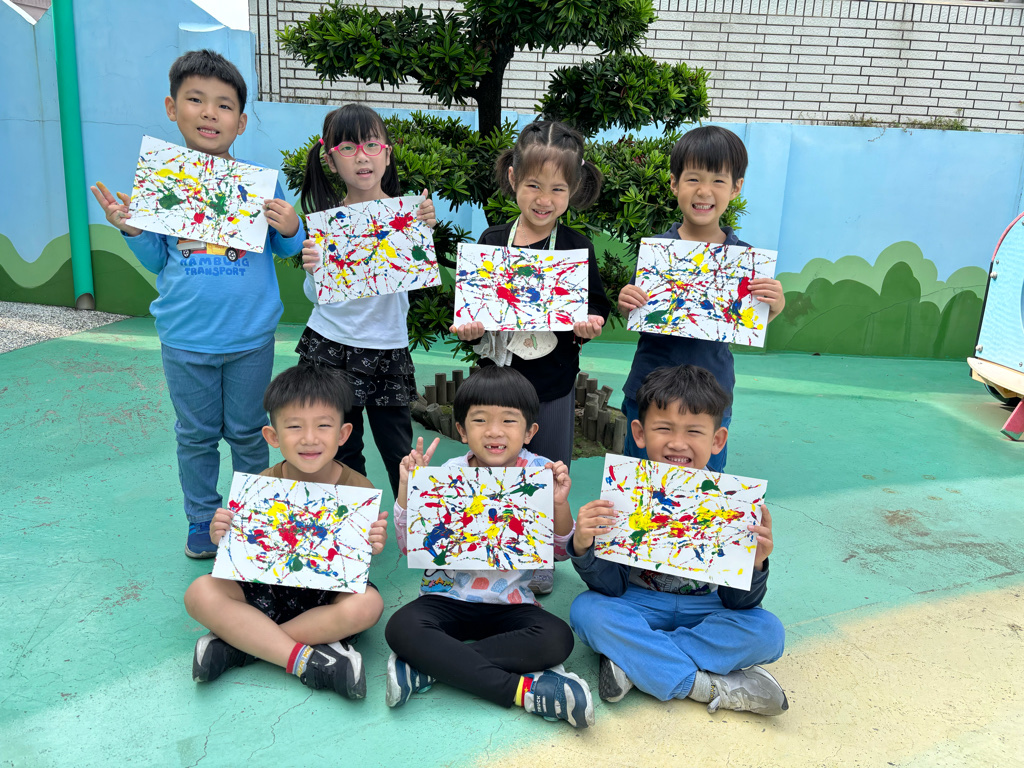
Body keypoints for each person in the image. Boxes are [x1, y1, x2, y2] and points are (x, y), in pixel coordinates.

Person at [90, 49, 305, 558]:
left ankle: (252, 520)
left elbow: (286, 248)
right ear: (172, 108)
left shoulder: (262, 182)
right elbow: (156, 259)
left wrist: (292, 227)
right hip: (185, 340)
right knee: (195, 436)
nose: (210, 113)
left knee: (250, 434)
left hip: (250, 338)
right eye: (195, 100)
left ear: (241, 121)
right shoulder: (163, 180)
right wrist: (132, 228)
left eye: (224, 105)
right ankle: (202, 520)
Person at [567, 364, 787, 715]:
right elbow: (610, 588)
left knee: (769, 632)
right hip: (637, 602)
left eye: (694, 431)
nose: (677, 443)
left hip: (705, 610)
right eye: (664, 428)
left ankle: (635, 660)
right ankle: (705, 686)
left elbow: (738, 604)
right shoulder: (624, 490)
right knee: (587, 611)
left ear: (717, 440)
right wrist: (584, 546)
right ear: (639, 433)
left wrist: (756, 564)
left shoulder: (733, 501)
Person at [383, 366, 594, 729]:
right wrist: (407, 488)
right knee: (401, 627)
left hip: (511, 604)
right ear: (462, 430)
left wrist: (559, 504)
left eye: (509, 421)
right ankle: (524, 691)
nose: (494, 431)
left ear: (530, 432)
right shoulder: (448, 473)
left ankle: (427, 668)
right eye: (480, 420)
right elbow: (408, 547)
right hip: (445, 599)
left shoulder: (541, 473)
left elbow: (559, 552)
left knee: (557, 638)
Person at [450, 120, 611, 595]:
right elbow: (471, 312)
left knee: (550, 469)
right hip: (497, 384)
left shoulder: (577, 247)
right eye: (534, 185)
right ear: (513, 178)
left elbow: (596, 306)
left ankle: (540, 557)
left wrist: (590, 324)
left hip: (553, 383)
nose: (545, 199)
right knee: (493, 464)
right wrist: (470, 329)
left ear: (573, 190)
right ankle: (490, 546)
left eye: (558, 189)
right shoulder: (491, 241)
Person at [183, 365, 388, 699]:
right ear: (273, 436)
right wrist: (223, 535)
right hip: (265, 589)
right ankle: (303, 658)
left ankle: (244, 644)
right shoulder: (260, 485)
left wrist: (373, 544)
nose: (309, 438)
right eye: (294, 426)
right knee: (199, 592)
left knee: (368, 605)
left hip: (325, 598)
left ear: (343, 434)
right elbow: (241, 554)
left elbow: (355, 562)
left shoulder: (359, 488)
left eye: (323, 425)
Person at [616, 125, 786, 473]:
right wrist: (627, 300)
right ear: (674, 183)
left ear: (736, 188)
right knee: (640, 481)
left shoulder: (745, 260)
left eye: (718, 181)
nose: (704, 191)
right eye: (693, 179)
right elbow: (638, 309)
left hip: (711, 396)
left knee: (704, 487)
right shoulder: (657, 254)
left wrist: (774, 307)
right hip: (649, 392)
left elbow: (747, 322)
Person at [296, 104, 436, 497]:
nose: (361, 156)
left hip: (388, 348)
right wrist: (313, 272)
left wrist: (422, 233)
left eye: (371, 145)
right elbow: (317, 298)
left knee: (400, 450)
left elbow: (412, 283)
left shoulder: (408, 217)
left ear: (387, 154)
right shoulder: (326, 223)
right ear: (330, 160)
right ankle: (352, 523)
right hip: (330, 346)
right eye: (348, 147)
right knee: (341, 449)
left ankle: (412, 522)